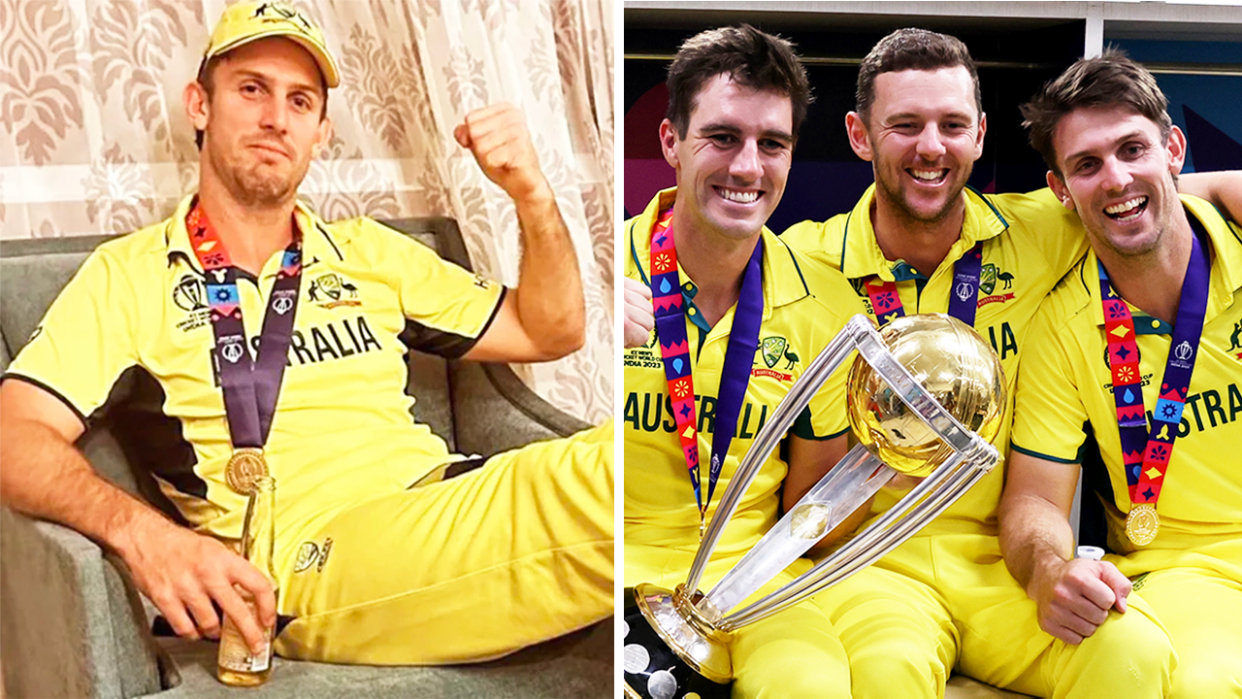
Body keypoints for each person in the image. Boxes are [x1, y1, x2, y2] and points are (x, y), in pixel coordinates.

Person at [0, 1, 612, 665]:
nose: (275, 118)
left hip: (444, 496)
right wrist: (141, 534)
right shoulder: (129, 275)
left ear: (320, 132)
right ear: (199, 104)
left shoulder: (370, 251)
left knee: (645, 443)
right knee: (610, 478)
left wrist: (533, 196)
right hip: (305, 561)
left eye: (300, 101)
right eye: (252, 88)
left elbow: (550, 329)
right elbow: (13, 433)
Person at [782, 28, 1242, 697]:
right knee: (885, 673)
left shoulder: (1041, 229)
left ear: (979, 134)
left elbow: (1135, 196)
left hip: (995, 566)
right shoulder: (801, 263)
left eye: (952, 124)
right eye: (905, 125)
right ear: (859, 135)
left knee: (1126, 647)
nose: (931, 146)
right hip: (872, 561)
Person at [622, 25, 865, 699]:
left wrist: (883, 452)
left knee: (813, 686)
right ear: (671, 141)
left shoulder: (825, 306)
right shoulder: (600, 272)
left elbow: (810, 517)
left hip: (754, 584)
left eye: (773, 144)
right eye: (723, 137)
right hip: (610, 568)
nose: (748, 167)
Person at [1002, 49, 1242, 698]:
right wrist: (1049, 569)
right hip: (1190, 576)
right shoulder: (1062, 325)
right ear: (1060, 190)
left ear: (1175, 149)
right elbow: (1032, 499)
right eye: (1087, 164)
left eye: (1132, 149)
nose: (1114, 178)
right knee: (1199, 684)